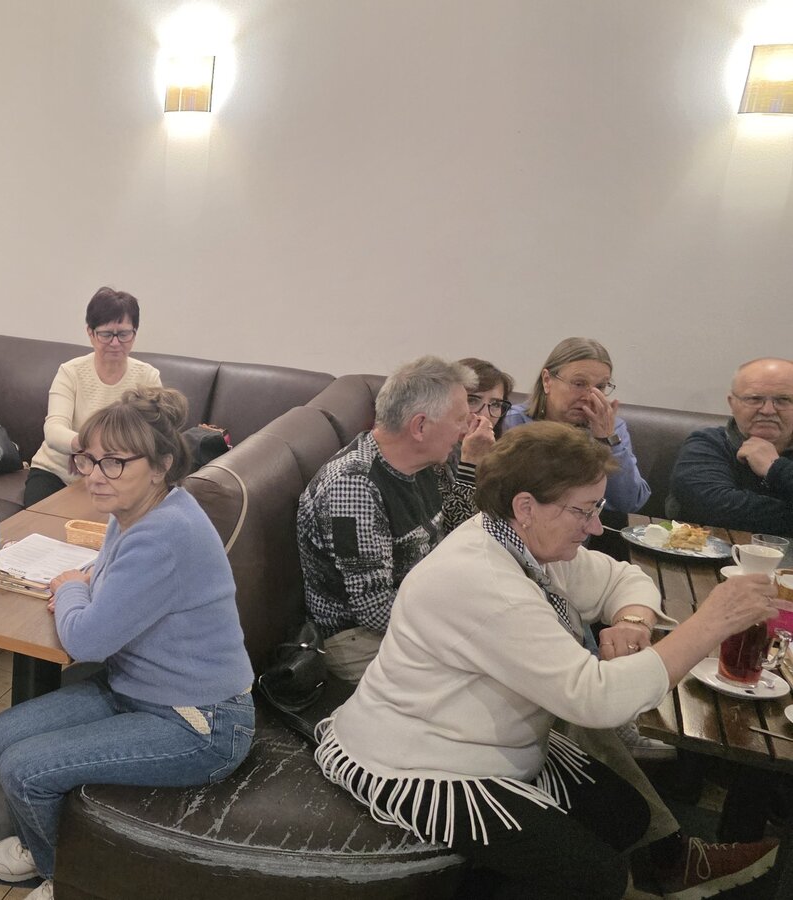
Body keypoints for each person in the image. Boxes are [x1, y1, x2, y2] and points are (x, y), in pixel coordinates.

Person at [315, 422, 780, 899]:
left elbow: (621, 578)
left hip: (493, 740)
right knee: (597, 877)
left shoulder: (519, 540)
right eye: (584, 510)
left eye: (596, 507)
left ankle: (667, 867)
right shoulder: (483, 581)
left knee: (627, 817)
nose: (595, 526)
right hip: (422, 760)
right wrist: (709, 624)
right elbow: (595, 700)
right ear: (525, 506)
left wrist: (633, 621)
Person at [0, 388, 255, 900]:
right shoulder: (137, 511)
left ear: (161, 466)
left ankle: (67, 879)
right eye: (88, 459)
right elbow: (99, 578)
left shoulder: (164, 533)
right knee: (0, 735)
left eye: (115, 462)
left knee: (24, 768)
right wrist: (81, 586)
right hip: (137, 690)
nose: (94, 474)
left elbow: (87, 639)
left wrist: (70, 588)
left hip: (200, 722)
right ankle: (42, 843)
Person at [298, 356, 484, 680]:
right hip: (358, 638)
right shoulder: (354, 487)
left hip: (419, 606)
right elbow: (374, 610)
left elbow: (456, 531)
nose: (466, 430)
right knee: (484, 674)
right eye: (460, 419)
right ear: (420, 426)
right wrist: (457, 629)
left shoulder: (427, 462)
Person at [23, 287, 162, 506]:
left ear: (135, 333)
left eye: (124, 334)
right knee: (36, 523)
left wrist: (93, 456)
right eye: (106, 334)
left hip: (116, 476)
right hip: (57, 472)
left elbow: (152, 437)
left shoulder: (147, 377)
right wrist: (82, 448)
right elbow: (53, 429)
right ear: (90, 333)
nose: (115, 343)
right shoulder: (70, 372)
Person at [502, 337, 651, 513]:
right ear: (547, 380)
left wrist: (606, 441)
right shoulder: (512, 422)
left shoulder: (611, 429)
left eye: (600, 386)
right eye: (579, 384)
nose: (588, 397)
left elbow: (629, 502)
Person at [668, 357, 793, 534]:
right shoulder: (707, 444)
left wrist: (776, 468)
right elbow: (715, 507)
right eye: (754, 399)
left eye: (783, 400)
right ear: (732, 403)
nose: (768, 410)